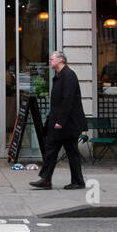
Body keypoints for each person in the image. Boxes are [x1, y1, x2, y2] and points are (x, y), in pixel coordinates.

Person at [30, 50, 86, 190]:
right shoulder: (60, 75)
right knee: (51, 151)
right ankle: (46, 179)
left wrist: (60, 121)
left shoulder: (68, 75)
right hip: (59, 122)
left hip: (67, 124)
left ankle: (77, 181)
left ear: (60, 60)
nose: (50, 61)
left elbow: (68, 100)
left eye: (51, 59)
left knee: (71, 152)